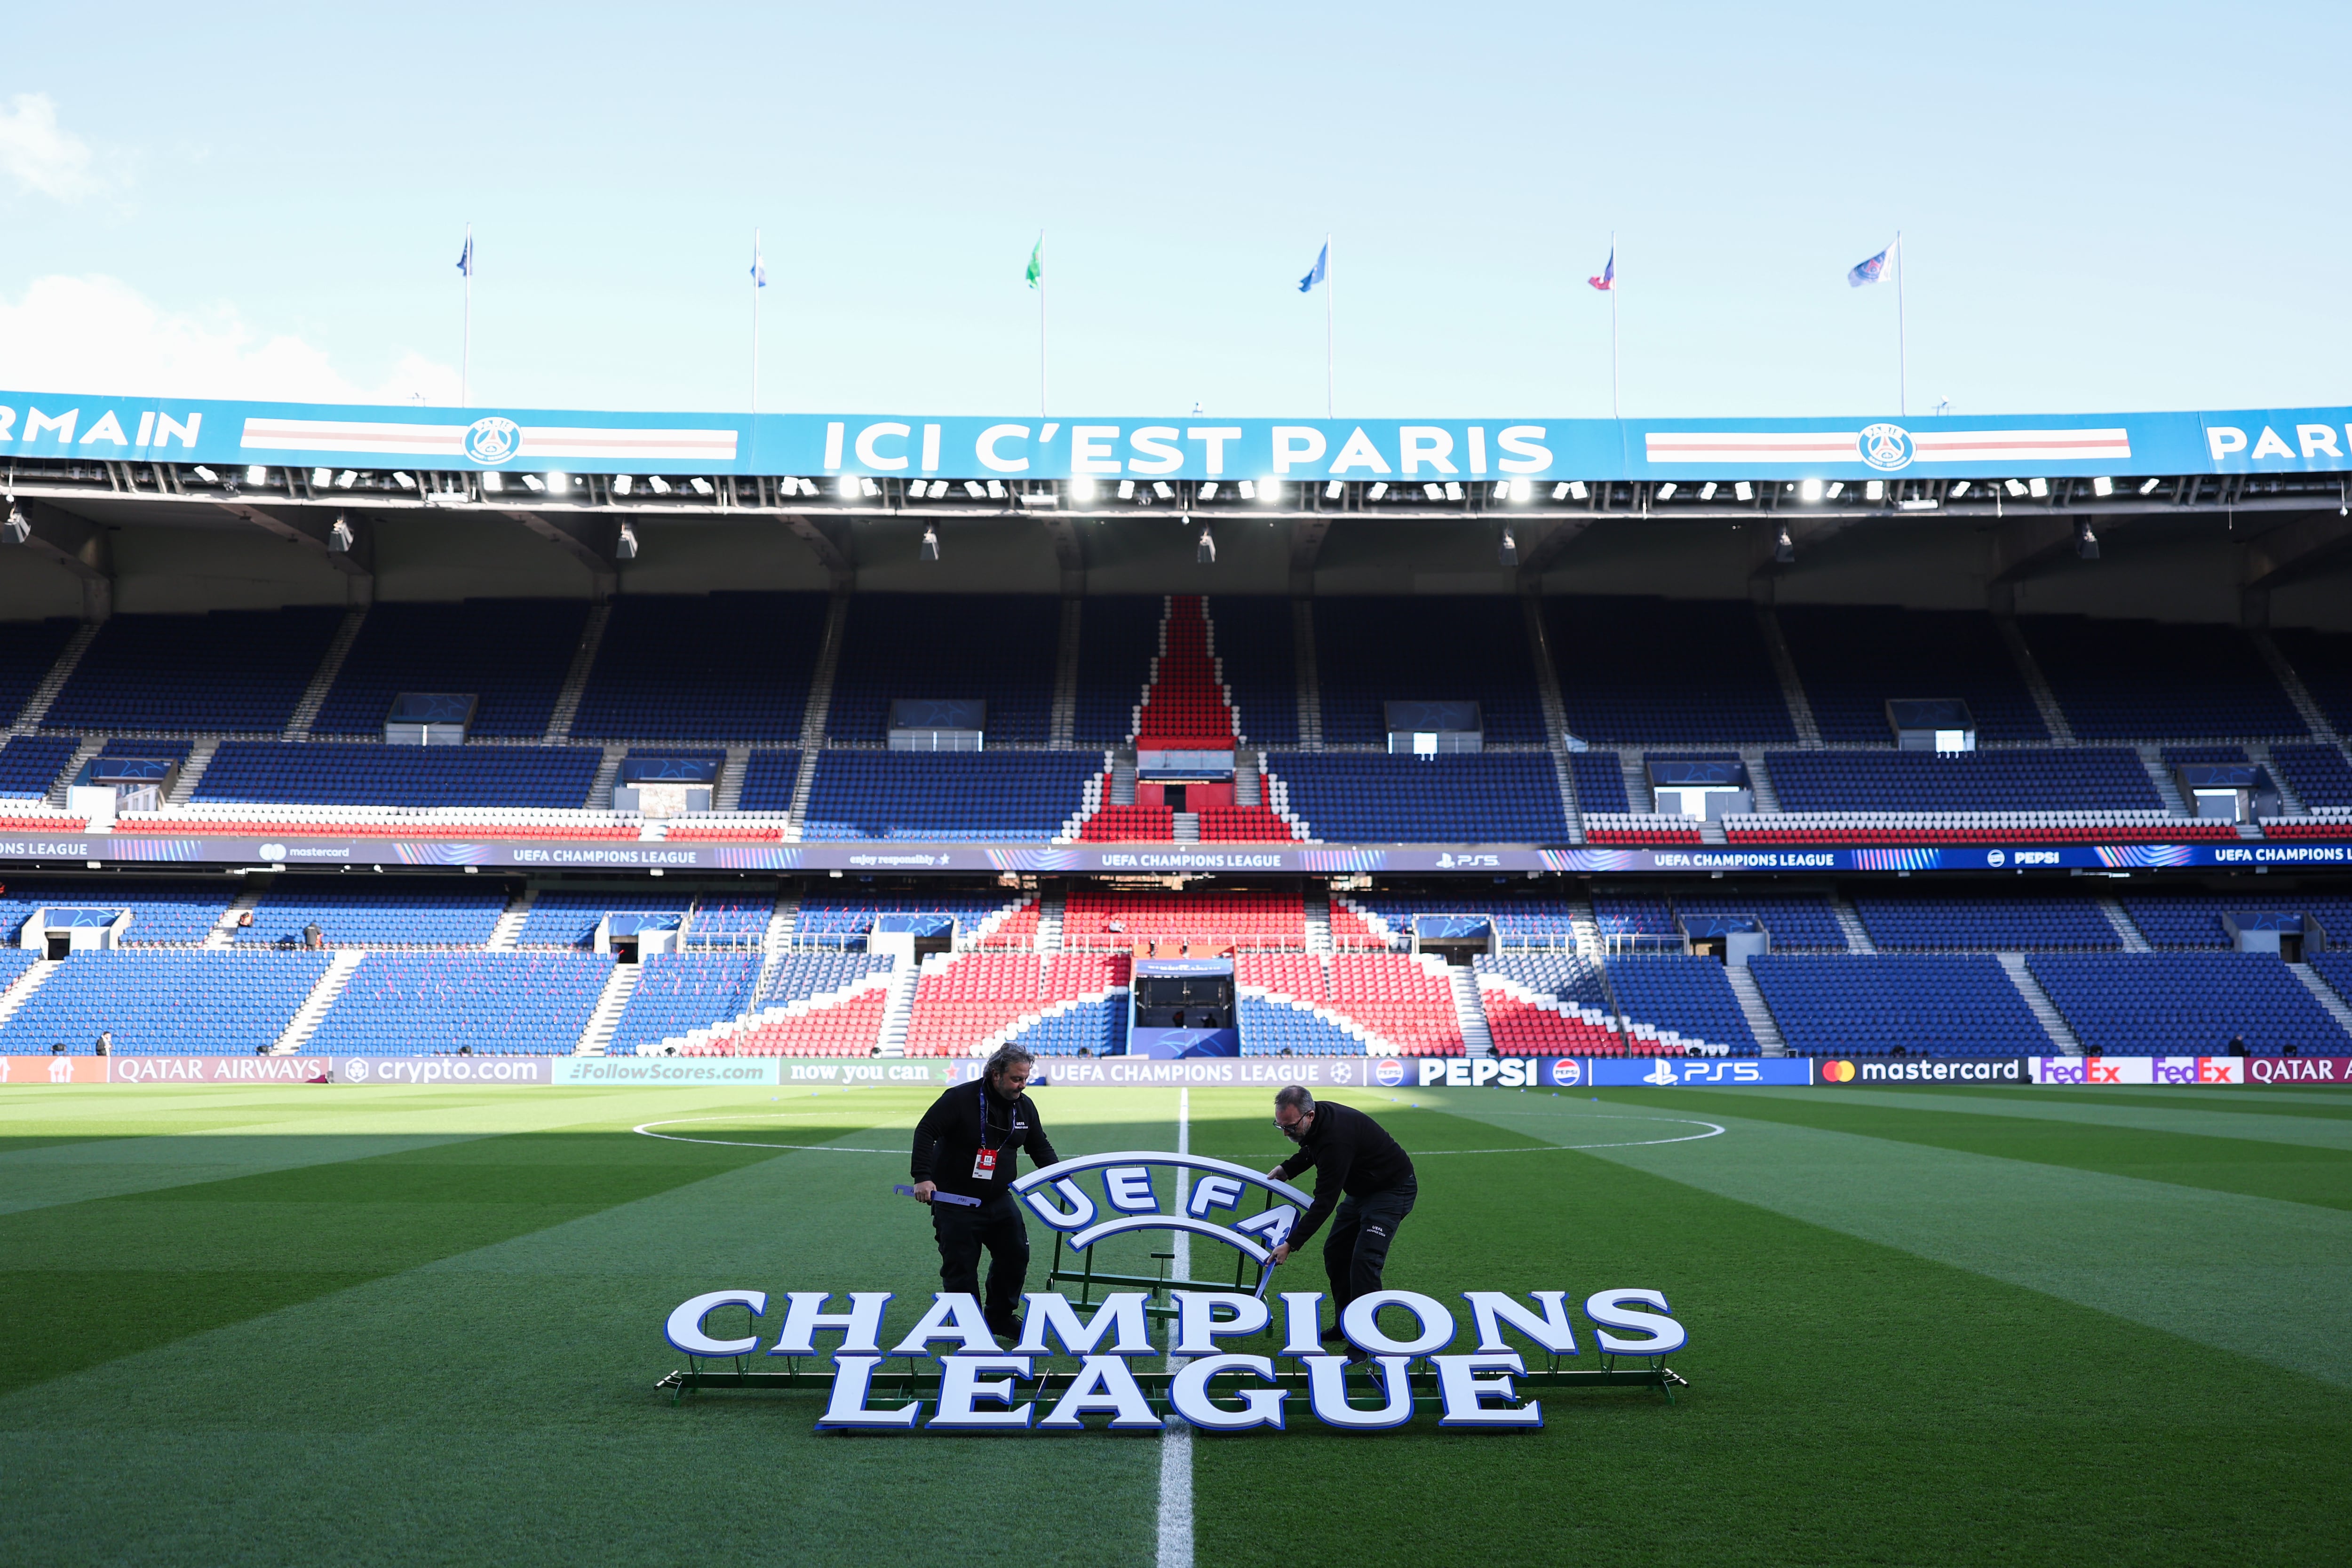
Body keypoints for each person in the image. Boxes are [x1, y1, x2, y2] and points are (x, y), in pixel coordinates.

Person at [909, 1043, 1060, 1341]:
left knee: (1015, 1256)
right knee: (961, 1267)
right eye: (1017, 1079)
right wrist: (922, 1178)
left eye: (1025, 1078)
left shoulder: (1024, 1105)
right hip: (955, 1201)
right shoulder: (959, 1099)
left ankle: (999, 1318)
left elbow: (1038, 1146)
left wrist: (1061, 1178)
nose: (1022, 1085)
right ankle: (971, 1328)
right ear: (995, 1075)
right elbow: (926, 1131)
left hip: (999, 1198)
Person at [1264, 1085, 1417, 1349]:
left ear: (1309, 1116)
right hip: (1362, 1191)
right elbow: (1312, 1148)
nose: (1286, 1132)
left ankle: (1365, 1337)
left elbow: (1324, 1202)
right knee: (1336, 1252)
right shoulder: (1317, 1118)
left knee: (1364, 1260)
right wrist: (1288, 1168)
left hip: (1392, 1190)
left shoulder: (1337, 1138)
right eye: (1281, 1126)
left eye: (1290, 1127)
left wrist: (1291, 1244)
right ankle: (1345, 1325)